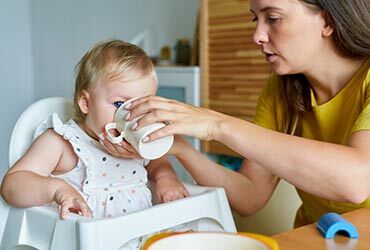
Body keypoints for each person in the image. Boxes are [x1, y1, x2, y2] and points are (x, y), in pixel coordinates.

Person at [121, 0, 370, 228]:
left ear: (327, 22)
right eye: (255, 19)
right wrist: (180, 148)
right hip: (318, 237)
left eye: (273, 18)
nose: (257, 36)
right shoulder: (282, 91)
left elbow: (356, 180)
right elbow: (250, 196)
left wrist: (217, 125)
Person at [0, 39, 189, 221]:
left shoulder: (134, 144)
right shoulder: (63, 143)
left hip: (140, 236)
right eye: (119, 104)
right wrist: (56, 189)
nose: (131, 116)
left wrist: (166, 177)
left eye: (142, 106)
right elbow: (12, 185)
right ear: (86, 103)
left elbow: (157, 162)